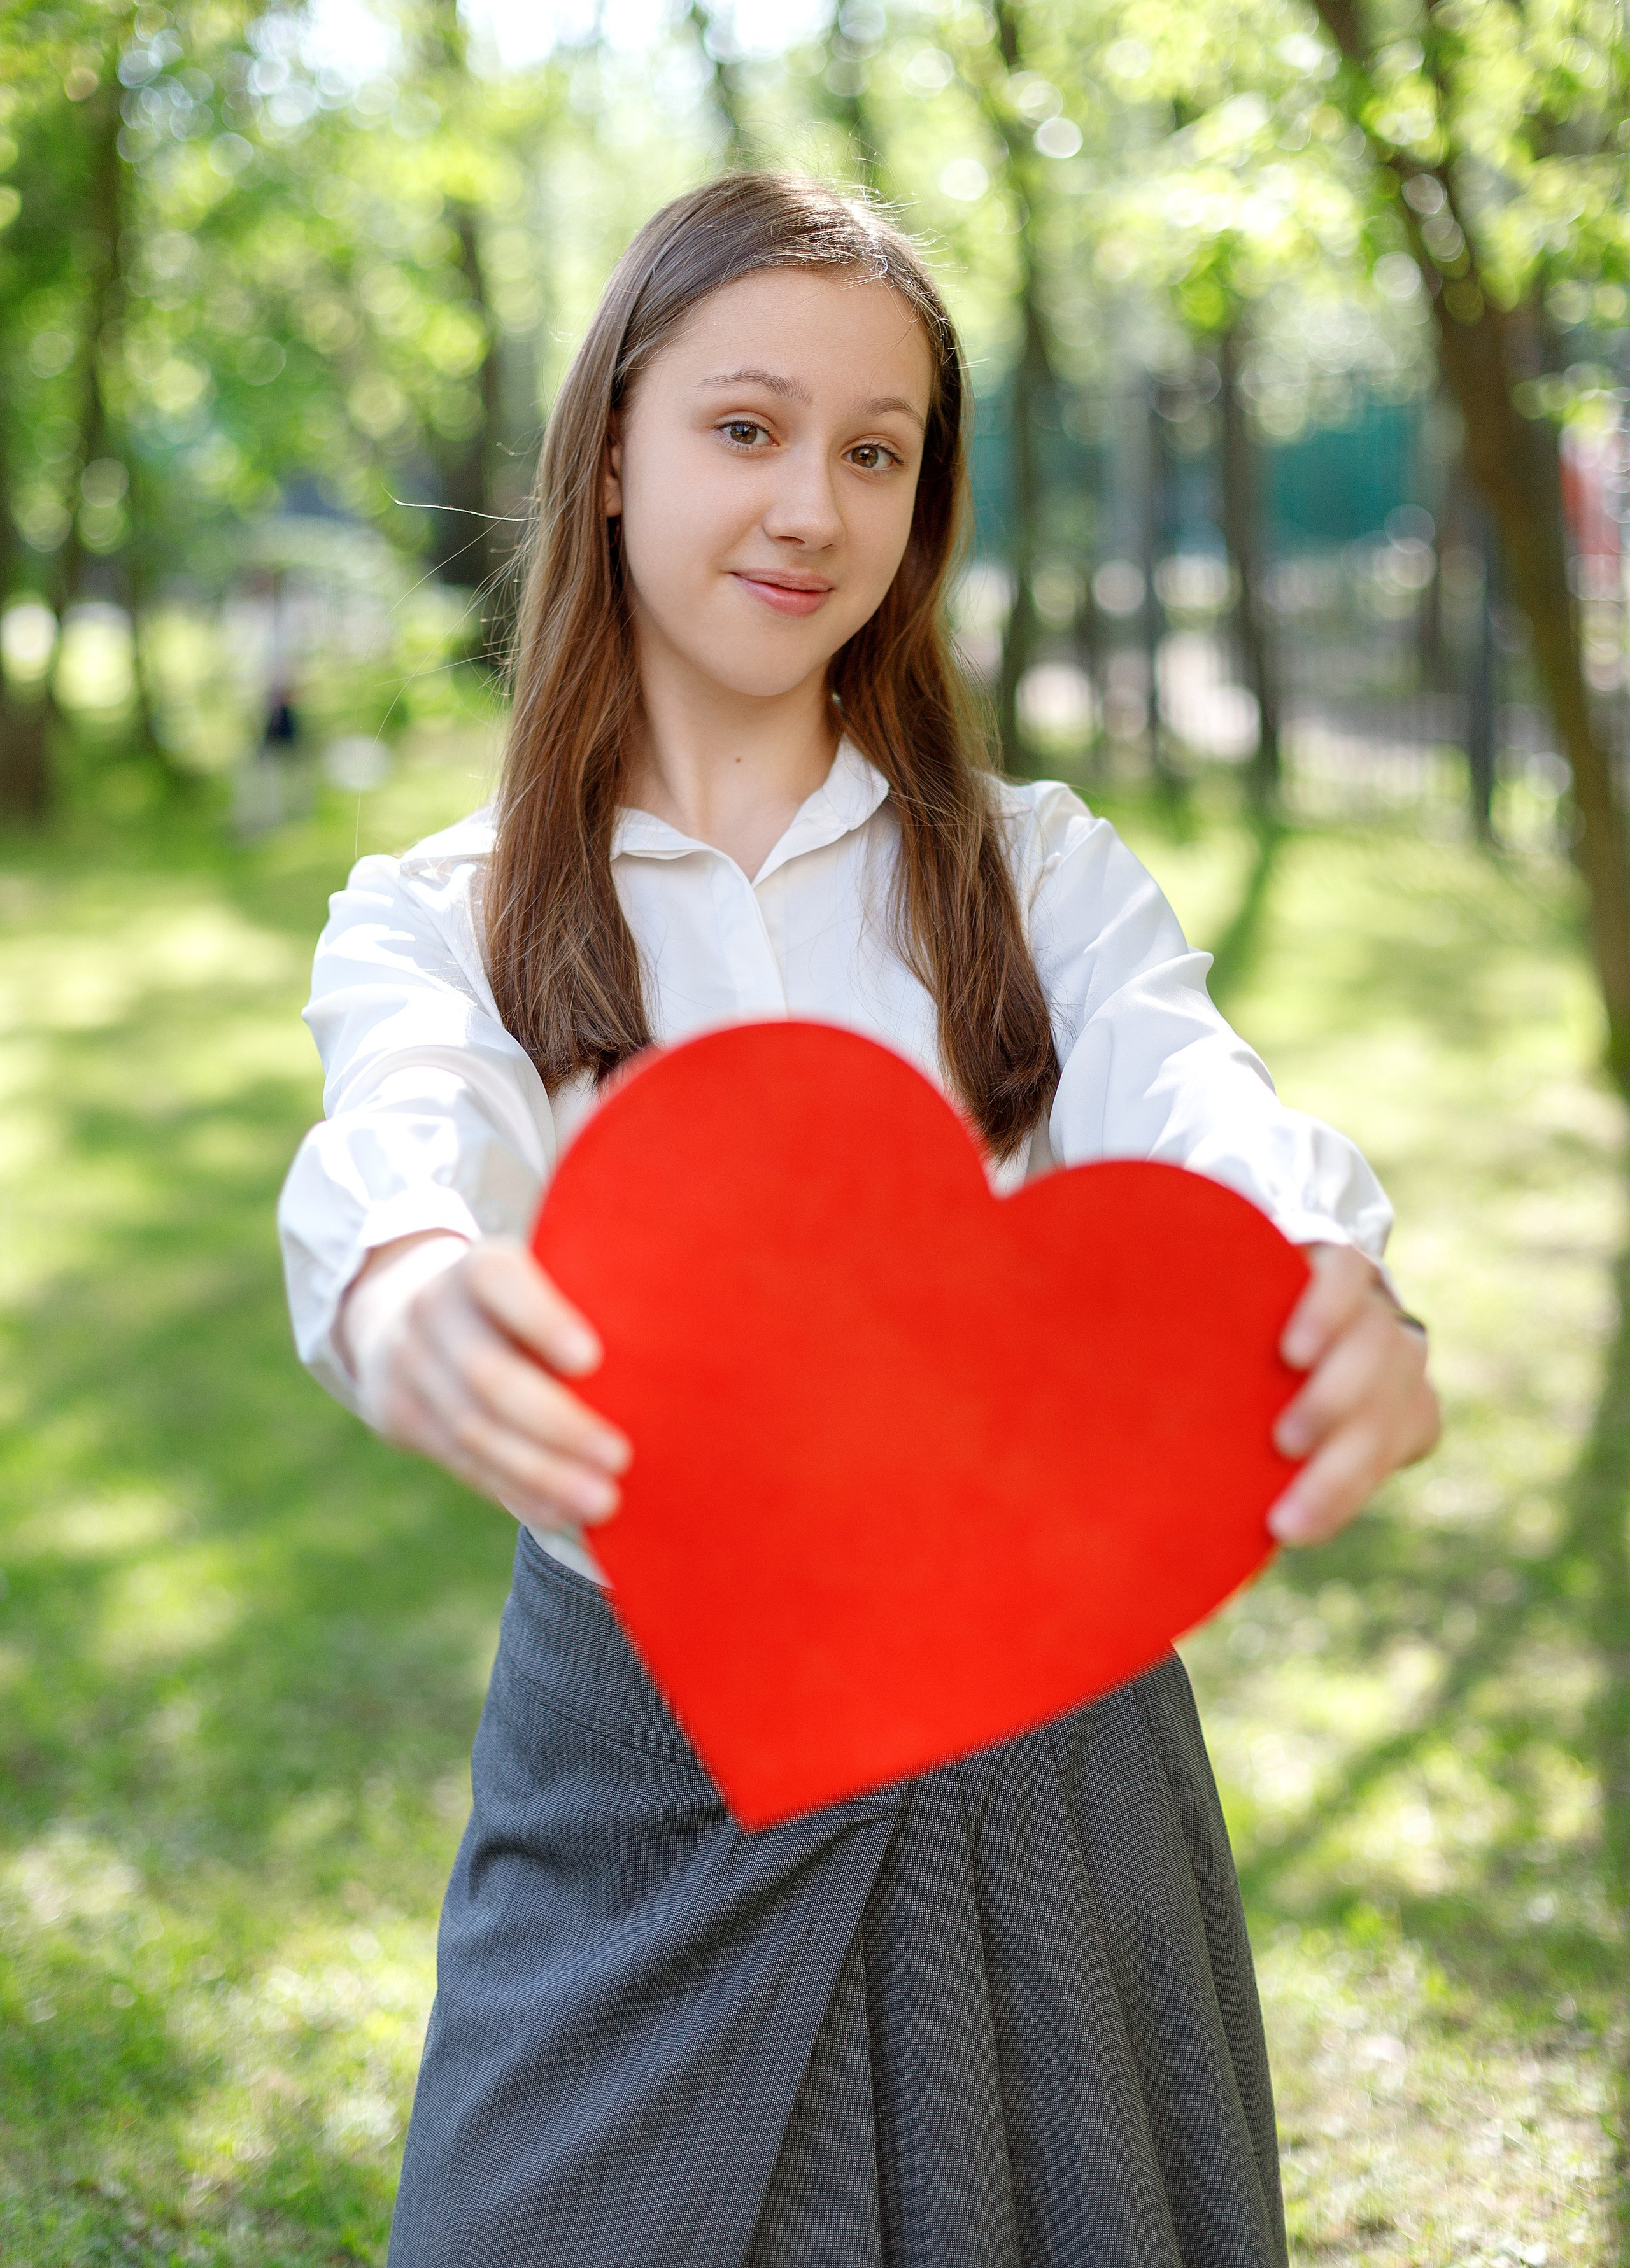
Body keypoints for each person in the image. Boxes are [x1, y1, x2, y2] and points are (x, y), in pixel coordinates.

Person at [278, 173, 1438, 2267]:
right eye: (746, 427)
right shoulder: (441, 915)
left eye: (877, 452)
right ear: (611, 446)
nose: (811, 505)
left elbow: (1192, 1091)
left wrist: (1319, 1266)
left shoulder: (1035, 873)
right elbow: (406, 1129)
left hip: (1043, 1748)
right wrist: (405, 1284)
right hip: (642, 1754)